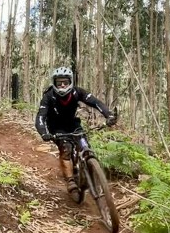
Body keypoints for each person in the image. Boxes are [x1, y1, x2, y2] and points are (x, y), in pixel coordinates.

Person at [35, 66, 115, 202]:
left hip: (73, 124)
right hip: (56, 128)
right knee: (66, 149)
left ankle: (90, 168)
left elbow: (95, 102)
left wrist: (109, 115)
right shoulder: (48, 96)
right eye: (59, 82)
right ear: (54, 83)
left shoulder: (77, 92)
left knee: (85, 146)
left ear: (70, 81)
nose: (62, 85)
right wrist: (44, 133)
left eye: (65, 82)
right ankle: (71, 181)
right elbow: (40, 117)